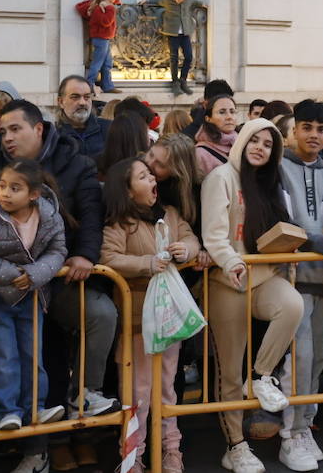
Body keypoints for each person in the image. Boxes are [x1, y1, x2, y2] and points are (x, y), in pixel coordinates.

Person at [0, 100, 118, 422]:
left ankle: (86, 394)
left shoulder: (76, 163)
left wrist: (85, 255)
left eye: (15, 129)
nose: (7, 138)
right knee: (28, 361)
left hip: (62, 277)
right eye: (2, 131)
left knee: (101, 314)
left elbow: (92, 215)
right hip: (14, 283)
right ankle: (31, 443)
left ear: (38, 129)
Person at [200, 119, 303, 473]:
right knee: (229, 370)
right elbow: (213, 236)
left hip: (264, 276)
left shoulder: (270, 183)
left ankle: (260, 376)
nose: (260, 147)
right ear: (241, 141)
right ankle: (235, 445)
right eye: (254, 140)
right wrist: (230, 262)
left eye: (268, 143)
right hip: (226, 281)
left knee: (292, 305)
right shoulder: (220, 178)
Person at [0, 159, 69, 466]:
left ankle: (34, 407)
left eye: (15, 188)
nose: (5, 193)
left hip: (33, 294)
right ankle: (8, 411)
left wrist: (36, 274)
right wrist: (11, 273)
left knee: (32, 353)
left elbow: (58, 250)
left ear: (34, 194)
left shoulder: (49, 216)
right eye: (2, 186)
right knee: (3, 354)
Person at [100, 157, 199, 473]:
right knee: (137, 394)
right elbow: (108, 257)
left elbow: (191, 238)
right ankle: (132, 457)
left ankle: (172, 451)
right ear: (127, 191)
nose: (152, 179)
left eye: (150, 174)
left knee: (168, 389)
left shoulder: (169, 215)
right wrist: (146, 263)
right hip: (136, 325)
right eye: (143, 176)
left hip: (170, 321)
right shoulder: (120, 224)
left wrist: (186, 248)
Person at [277, 100, 323, 470]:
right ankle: (290, 434)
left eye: (321, 129)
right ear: (294, 129)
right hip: (289, 276)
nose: (314, 135)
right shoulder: (276, 168)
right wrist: (307, 240)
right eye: (307, 128)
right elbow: (278, 219)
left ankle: (304, 425)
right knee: (297, 356)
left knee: (317, 356)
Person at [75, 0, 121, 94]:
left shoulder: (100, 6)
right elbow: (106, 22)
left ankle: (107, 86)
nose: (114, 3)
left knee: (107, 63)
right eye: (113, 1)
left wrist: (106, 3)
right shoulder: (101, 9)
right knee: (98, 63)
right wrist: (109, 8)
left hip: (103, 38)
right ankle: (89, 84)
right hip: (102, 39)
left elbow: (117, 0)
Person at [55, 75, 112, 159]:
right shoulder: (52, 136)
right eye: (75, 97)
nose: (82, 103)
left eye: (87, 97)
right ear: (61, 102)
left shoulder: (109, 129)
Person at [194, 93, 239, 178]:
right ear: (208, 118)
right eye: (222, 112)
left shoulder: (243, 144)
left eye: (232, 111)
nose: (229, 117)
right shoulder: (200, 154)